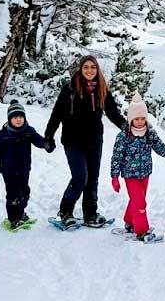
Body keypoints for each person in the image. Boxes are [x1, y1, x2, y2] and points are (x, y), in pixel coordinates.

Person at [44, 55, 127, 229]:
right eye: (86, 67)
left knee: (93, 178)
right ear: (81, 69)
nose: (89, 70)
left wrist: (127, 127)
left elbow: (113, 113)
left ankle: (90, 213)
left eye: (93, 67)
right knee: (80, 176)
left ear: (97, 70)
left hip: (94, 140)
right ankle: (65, 211)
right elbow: (57, 113)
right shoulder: (70, 89)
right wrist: (49, 136)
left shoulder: (102, 89)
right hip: (72, 140)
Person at [110, 94, 165, 243]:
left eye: (142, 118)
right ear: (131, 119)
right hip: (129, 175)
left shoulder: (149, 132)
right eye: (136, 119)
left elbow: (159, 147)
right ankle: (142, 231)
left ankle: (130, 222)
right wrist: (114, 177)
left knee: (137, 200)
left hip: (145, 173)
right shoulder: (124, 135)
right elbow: (117, 156)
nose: (140, 122)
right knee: (140, 202)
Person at [0, 100, 48, 230]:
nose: (18, 120)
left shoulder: (28, 131)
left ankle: (20, 213)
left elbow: (38, 140)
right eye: (15, 117)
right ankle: (14, 219)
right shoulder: (3, 135)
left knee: (25, 192)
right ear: (10, 119)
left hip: (24, 169)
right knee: (13, 195)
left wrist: (46, 144)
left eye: (20, 117)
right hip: (8, 171)